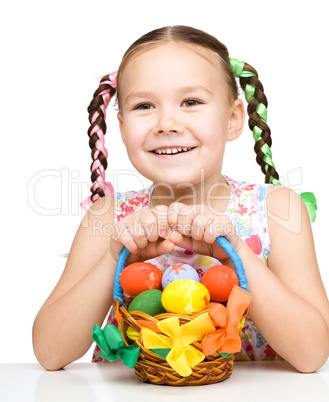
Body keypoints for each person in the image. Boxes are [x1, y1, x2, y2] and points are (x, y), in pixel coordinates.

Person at [32, 25, 329, 373]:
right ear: (123, 126)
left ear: (233, 119)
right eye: (144, 105)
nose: (167, 123)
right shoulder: (108, 217)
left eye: (191, 102)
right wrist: (114, 256)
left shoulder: (277, 209)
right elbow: (50, 352)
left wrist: (237, 251)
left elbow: (312, 355)